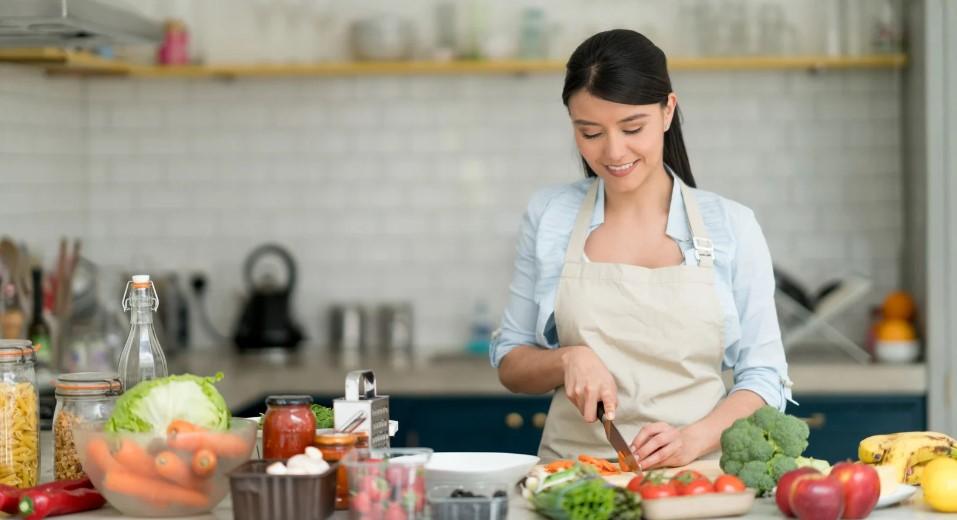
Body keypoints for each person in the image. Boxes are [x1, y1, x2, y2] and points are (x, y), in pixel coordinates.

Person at [490, 29, 792, 469]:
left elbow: (765, 378)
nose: (614, 152)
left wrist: (693, 440)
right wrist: (566, 359)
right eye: (590, 132)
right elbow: (511, 363)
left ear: (668, 110)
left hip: (697, 481)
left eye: (633, 128)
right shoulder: (550, 215)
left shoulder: (732, 226)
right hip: (574, 483)